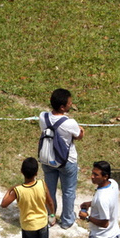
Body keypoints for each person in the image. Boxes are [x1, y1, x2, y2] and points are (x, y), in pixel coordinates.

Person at [1, 158, 56, 238]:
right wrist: (52, 215)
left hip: (28, 226)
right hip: (42, 223)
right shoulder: (42, 184)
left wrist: (9, 189)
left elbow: (4, 204)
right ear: (36, 173)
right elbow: (50, 202)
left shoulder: (18, 190)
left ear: (22, 171)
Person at [39, 88, 84, 229]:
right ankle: (67, 220)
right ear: (62, 107)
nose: (71, 105)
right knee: (69, 191)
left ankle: (50, 217)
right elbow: (78, 135)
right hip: (67, 161)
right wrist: (82, 130)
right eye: (69, 103)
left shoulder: (43, 117)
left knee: (49, 190)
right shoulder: (70, 123)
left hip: (47, 159)